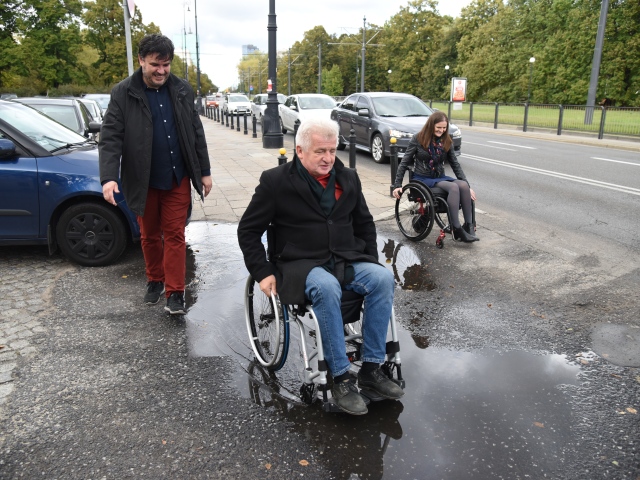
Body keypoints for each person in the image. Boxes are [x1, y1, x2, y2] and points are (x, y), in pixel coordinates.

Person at [238, 117, 404, 416]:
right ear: (300, 151)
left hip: (344, 257)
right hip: (299, 263)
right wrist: (262, 272)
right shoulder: (275, 182)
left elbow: (364, 224)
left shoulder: (348, 178)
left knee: (382, 279)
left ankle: (370, 370)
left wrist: (370, 259)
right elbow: (248, 231)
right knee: (325, 287)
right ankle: (339, 377)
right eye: (320, 151)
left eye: (332, 150)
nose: (328, 158)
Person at [99, 34, 212, 315]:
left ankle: (175, 292)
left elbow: (196, 133)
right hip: (142, 179)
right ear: (141, 61)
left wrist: (205, 172)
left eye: (166, 65)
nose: (161, 71)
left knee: (175, 234)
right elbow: (110, 136)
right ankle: (155, 279)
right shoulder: (123, 92)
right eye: (155, 65)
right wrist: (109, 177)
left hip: (177, 177)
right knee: (149, 235)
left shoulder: (183, 89)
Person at [391, 111, 478, 242]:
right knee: (454, 187)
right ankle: (457, 229)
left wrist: (468, 186)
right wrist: (397, 185)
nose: (441, 131)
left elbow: (455, 164)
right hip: (422, 179)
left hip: (438, 177)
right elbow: (404, 162)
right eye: (438, 128)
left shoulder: (446, 140)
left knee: (463, 186)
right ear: (431, 125)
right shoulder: (418, 138)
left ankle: (469, 227)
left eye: (444, 128)